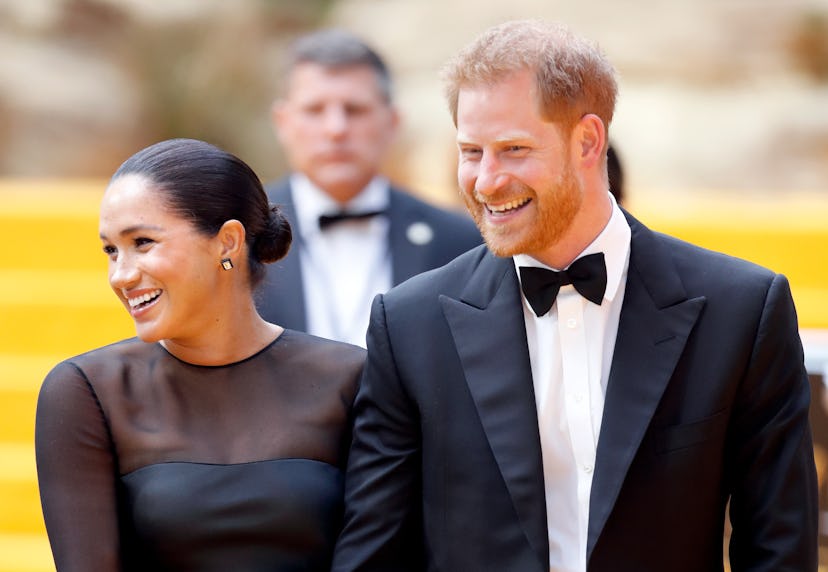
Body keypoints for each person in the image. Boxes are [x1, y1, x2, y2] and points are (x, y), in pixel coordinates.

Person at [332, 19, 818, 571]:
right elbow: (372, 555)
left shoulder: (744, 310)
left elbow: (780, 548)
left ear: (587, 141)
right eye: (472, 151)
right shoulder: (408, 325)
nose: (486, 181)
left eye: (513, 149)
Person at [35, 138, 365, 571]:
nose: (121, 275)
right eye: (111, 250)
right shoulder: (86, 392)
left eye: (143, 242)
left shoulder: (351, 378)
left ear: (227, 242)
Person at [257, 28, 481, 347]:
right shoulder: (241, 235)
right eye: (314, 110)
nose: (336, 129)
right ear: (283, 123)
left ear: (391, 122)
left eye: (354, 110)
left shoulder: (461, 241)